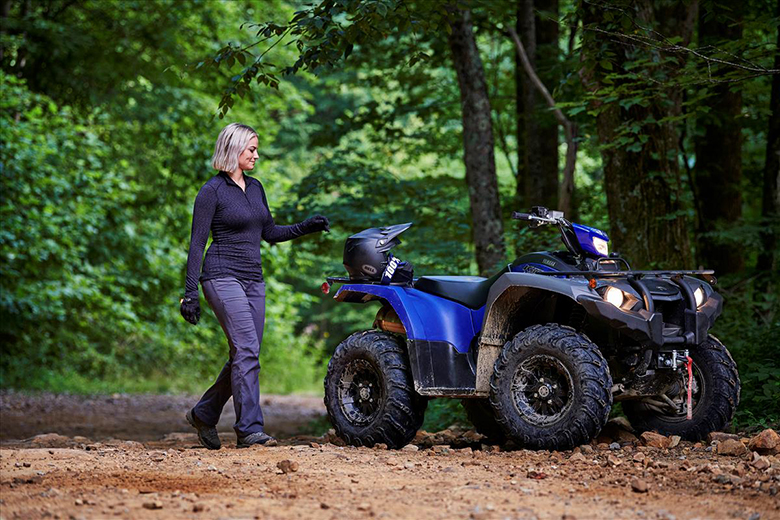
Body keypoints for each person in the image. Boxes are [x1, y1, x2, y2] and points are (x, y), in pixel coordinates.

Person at [180, 122, 329, 449]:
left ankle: (205, 413)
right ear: (234, 149)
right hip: (220, 276)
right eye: (252, 149)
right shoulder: (211, 192)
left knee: (244, 354)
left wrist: (306, 226)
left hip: (252, 280)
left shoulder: (256, 187)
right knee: (246, 350)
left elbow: (270, 232)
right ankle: (249, 429)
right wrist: (190, 293)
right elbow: (196, 244)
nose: (256, 155)